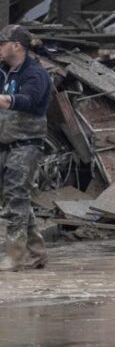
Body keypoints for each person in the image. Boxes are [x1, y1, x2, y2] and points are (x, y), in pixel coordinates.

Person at [0, 25, 50, 272]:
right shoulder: (3, 72)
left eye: (1, 43)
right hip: (4, 143)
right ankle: (36, 252)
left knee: (17, 197)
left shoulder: (35, 74)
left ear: (16, 45)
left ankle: (14, 255)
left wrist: (3, 99)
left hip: (26, 144)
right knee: (14, 197)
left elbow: (29, 100)